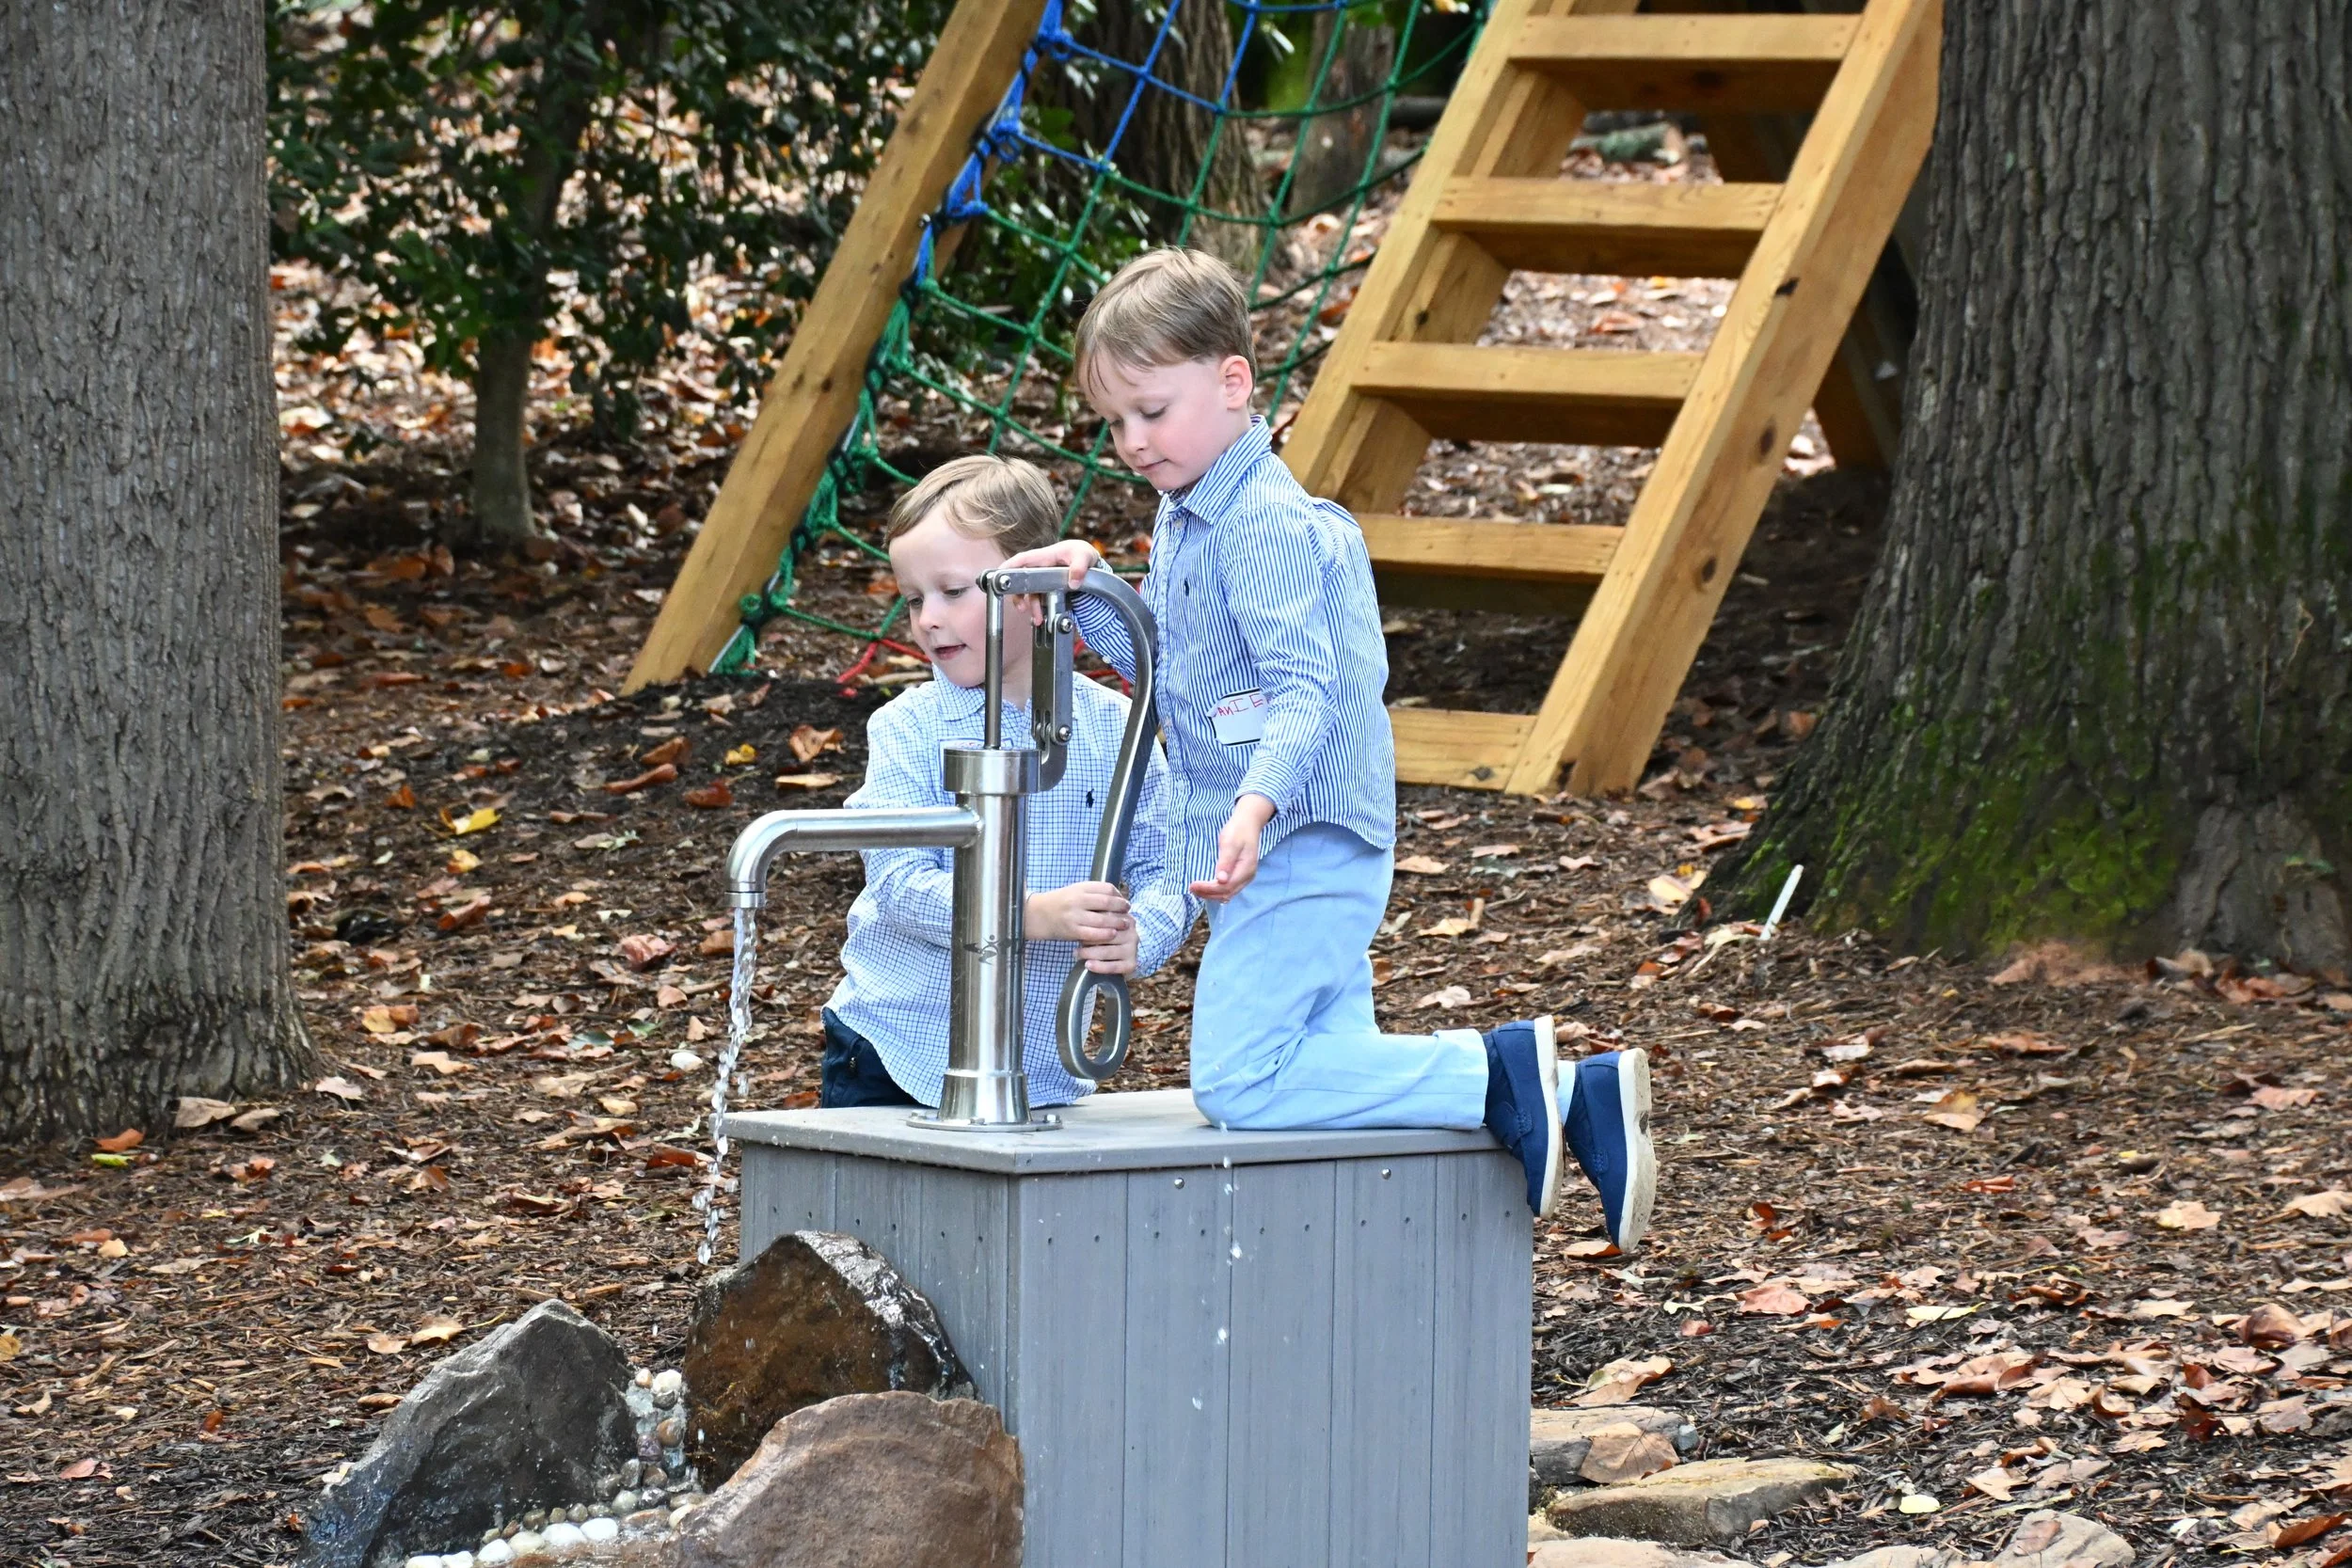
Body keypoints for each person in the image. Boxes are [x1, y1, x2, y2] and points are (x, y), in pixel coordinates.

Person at [1002, 248, 1656, 1247]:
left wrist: (1256, 807)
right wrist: (1092, 593)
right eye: (1114, 422)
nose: (1132, 441)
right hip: (1269, 837)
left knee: (1239, 1079)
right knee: (1326, 1063)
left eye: (1152, 410)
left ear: (1232, 383)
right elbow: (1179, 666)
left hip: (1300, 831)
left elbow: (1305, 687)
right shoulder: (1190, 509)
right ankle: (1548, 1115)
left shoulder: (1256, 517)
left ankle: (1516, 1074)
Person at [820, 454, 1190, 1111]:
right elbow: (901, 885)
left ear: (1031, 590)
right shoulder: (907, 728)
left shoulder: (1111, 727)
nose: (928, 617)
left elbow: (1168, 859)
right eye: (913, 598)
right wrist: (1031, 913)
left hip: (1041, 1062)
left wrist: (1144, 933)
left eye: (955, 591)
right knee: (876, 1214)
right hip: (897, 1049)